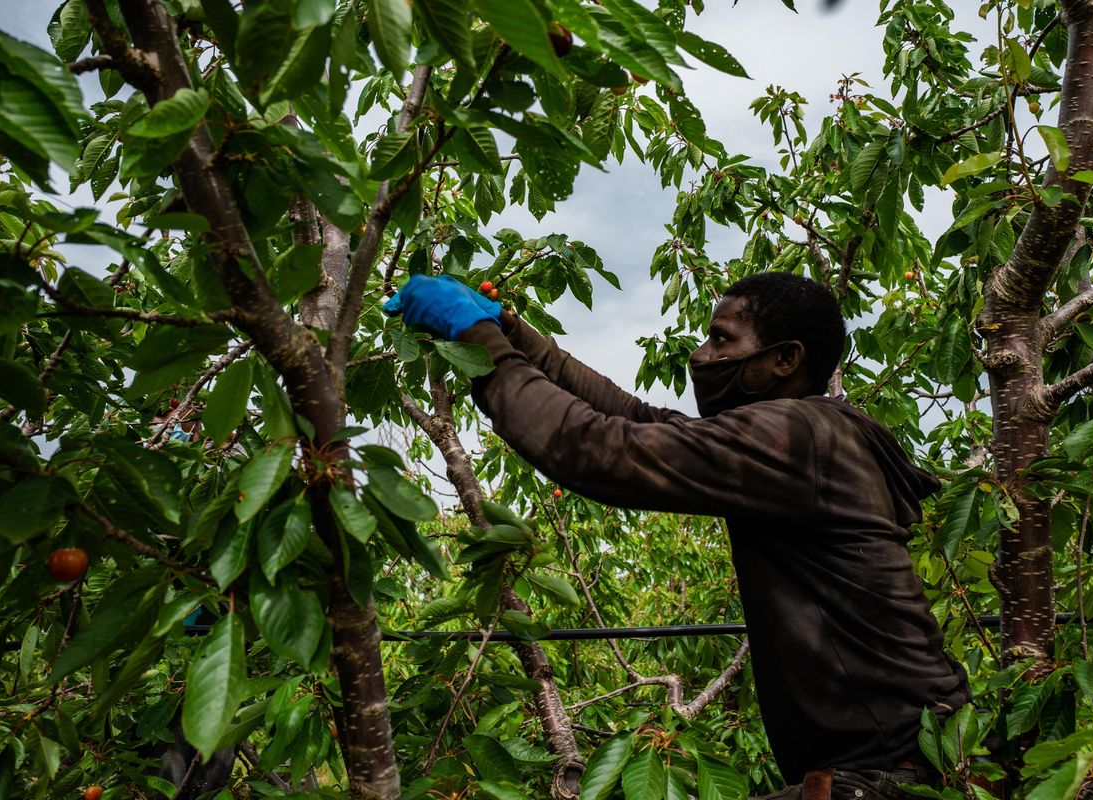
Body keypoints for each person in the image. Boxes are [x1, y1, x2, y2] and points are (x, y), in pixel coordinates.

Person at [385, 271, 970, 800]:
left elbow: (598, 450)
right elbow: (639, 419)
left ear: (785, 358)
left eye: (721, 339)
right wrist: (513, 334)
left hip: (887, 775)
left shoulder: (794, 436)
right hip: (910, 757)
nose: (701, 354)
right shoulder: (815, 431)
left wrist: (482, 341)